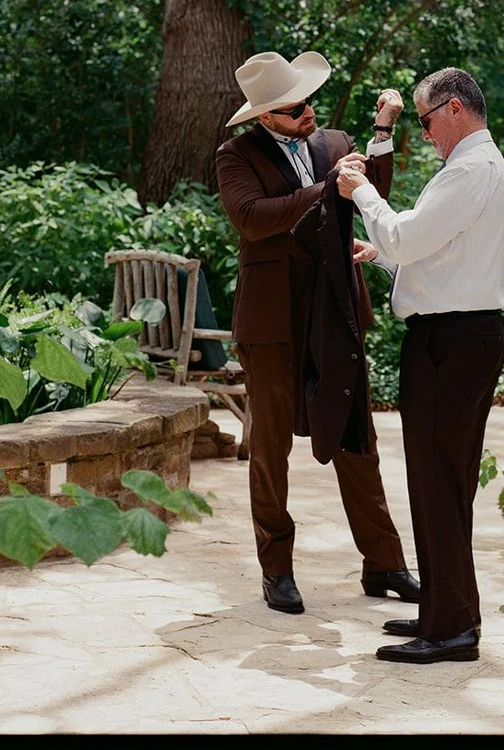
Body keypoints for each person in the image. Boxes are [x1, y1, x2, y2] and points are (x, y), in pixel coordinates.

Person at [215, 49, 422, 616]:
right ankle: (276, 569)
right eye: (293, 108)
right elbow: (254, 218)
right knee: (270, 447)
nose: (308, 112)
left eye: (308, 101)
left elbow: (368, 192)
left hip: (335, 311)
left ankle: (383, 562)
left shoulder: (332, 142)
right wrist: (326, 188)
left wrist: (382, 132)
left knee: (357, 438)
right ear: (265, 118)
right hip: (272, 321)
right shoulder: (235, 156)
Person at [335, 66, 504, 665]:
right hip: (461, 333)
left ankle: (453, 630)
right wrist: (386, 258)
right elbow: (441, 261)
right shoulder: (477, 169)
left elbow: (408, 239)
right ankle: (444, 607)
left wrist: (360, 191)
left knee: (440, 484)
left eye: (426, 120)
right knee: (441, 484)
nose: (426, 132)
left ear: (456, 108)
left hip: (453, 341)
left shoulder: (471, 169)